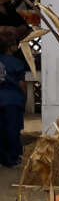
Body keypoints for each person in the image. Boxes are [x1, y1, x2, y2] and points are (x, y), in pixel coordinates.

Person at [0, 26, 28, 167]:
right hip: (13, 101)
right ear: (11, 47)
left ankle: (2, 157)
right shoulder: (17, 63)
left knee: (1, 130)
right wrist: (24, 100)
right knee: (12, 130)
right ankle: (12, 159)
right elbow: (22, 85)